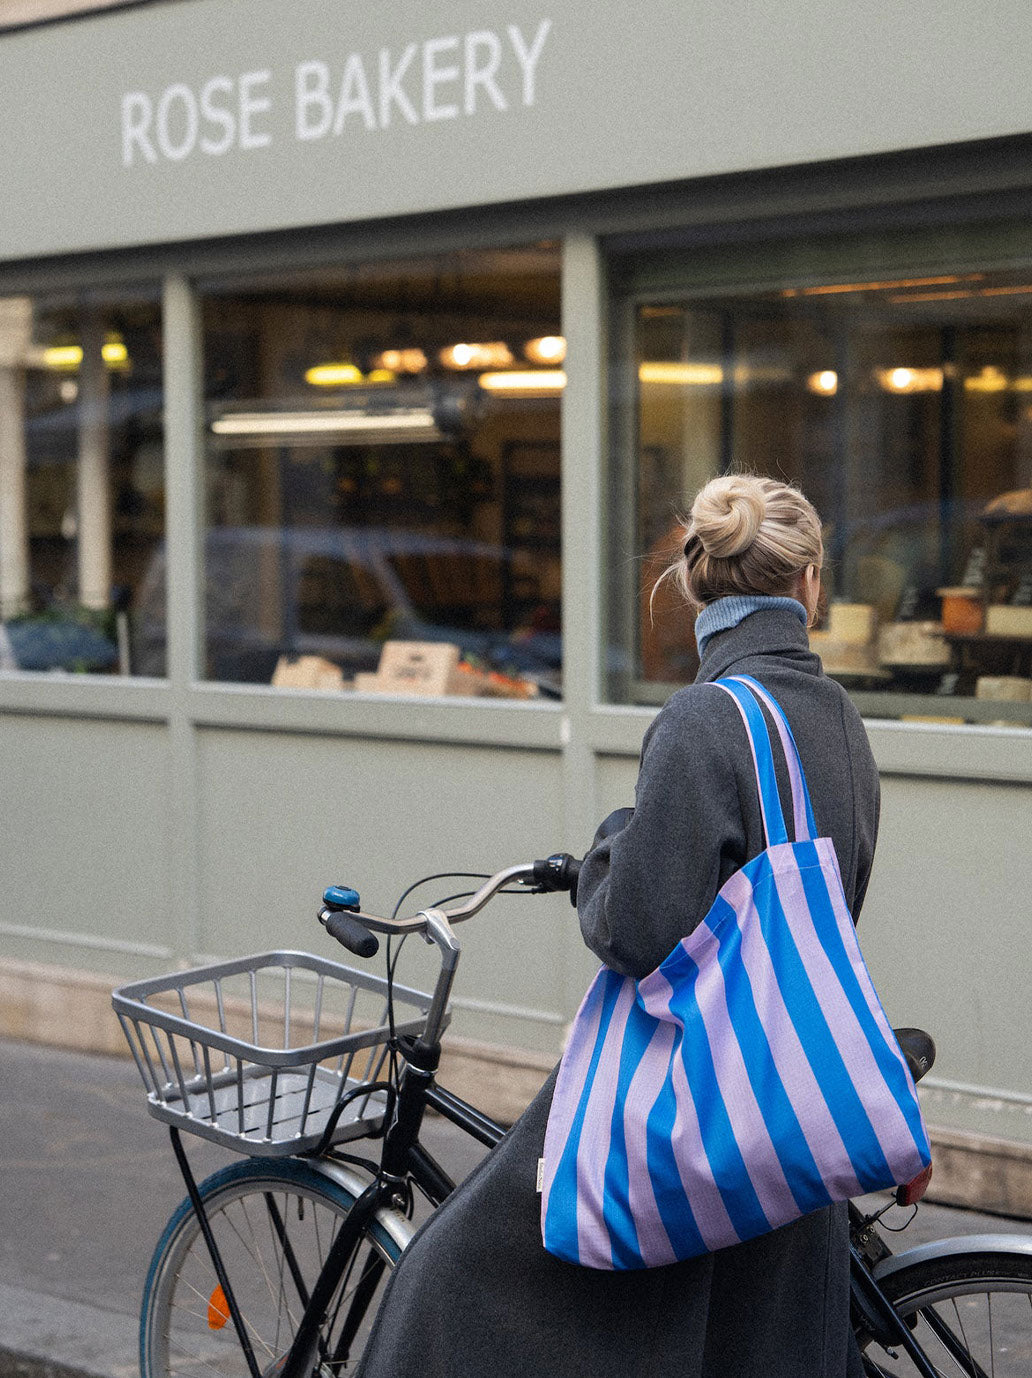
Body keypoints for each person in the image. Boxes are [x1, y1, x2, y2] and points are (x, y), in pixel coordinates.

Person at [355, 473, 879, 1378]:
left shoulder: (702, 720)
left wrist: (607, 852)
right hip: (791, 1094)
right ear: (811, 587)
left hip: (690, 1098)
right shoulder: (838, 719)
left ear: (692, 588)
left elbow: (638, 931)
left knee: (448, 1277)